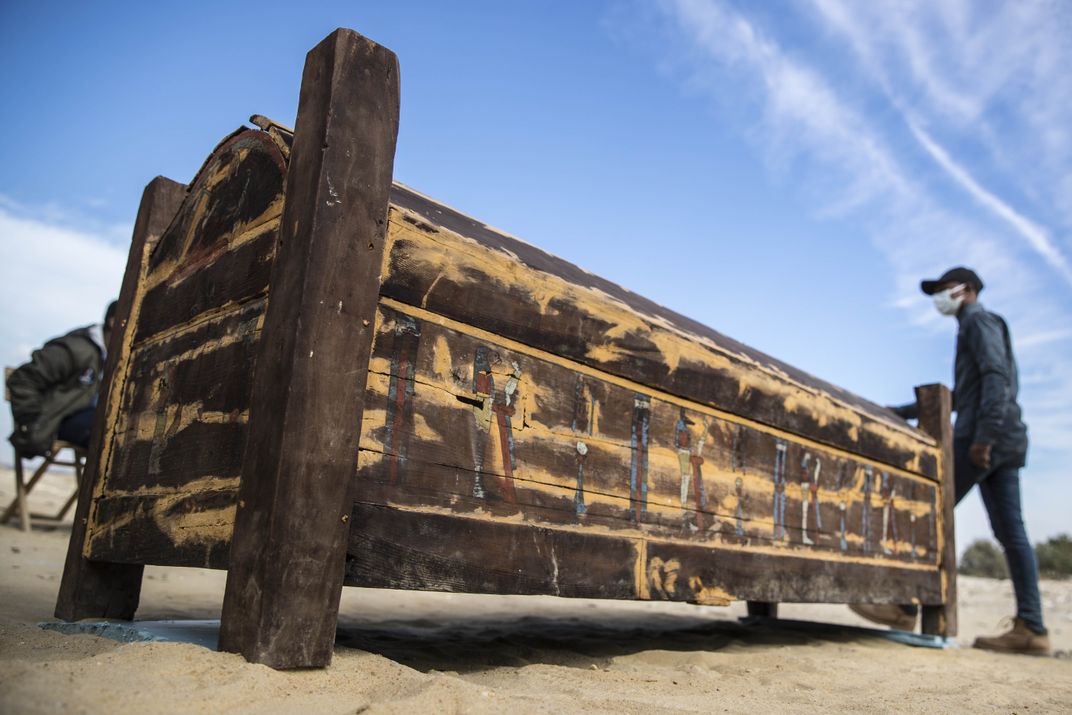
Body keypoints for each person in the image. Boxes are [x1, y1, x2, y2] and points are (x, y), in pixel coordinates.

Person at [852, 267, 1048, 655]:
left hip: (985, 437)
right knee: (1011, 533)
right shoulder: (974, 326)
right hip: (1004, 436)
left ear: (967, 289)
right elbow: (966, 394)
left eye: (944, 289)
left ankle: (903, 607)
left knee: (930, 512)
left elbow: (996, 378)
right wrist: (906, 410)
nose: (939, 297)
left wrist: (984, 437)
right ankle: (1032, 628)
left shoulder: (978, 321)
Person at [7, 300, 117, 457]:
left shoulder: (115, 359)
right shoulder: (77, 349)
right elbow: (23, 379)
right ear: (114, 322)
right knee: (109, 428)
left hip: (87, 420)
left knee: (124, 427)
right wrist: (31, 421)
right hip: (57, 422)